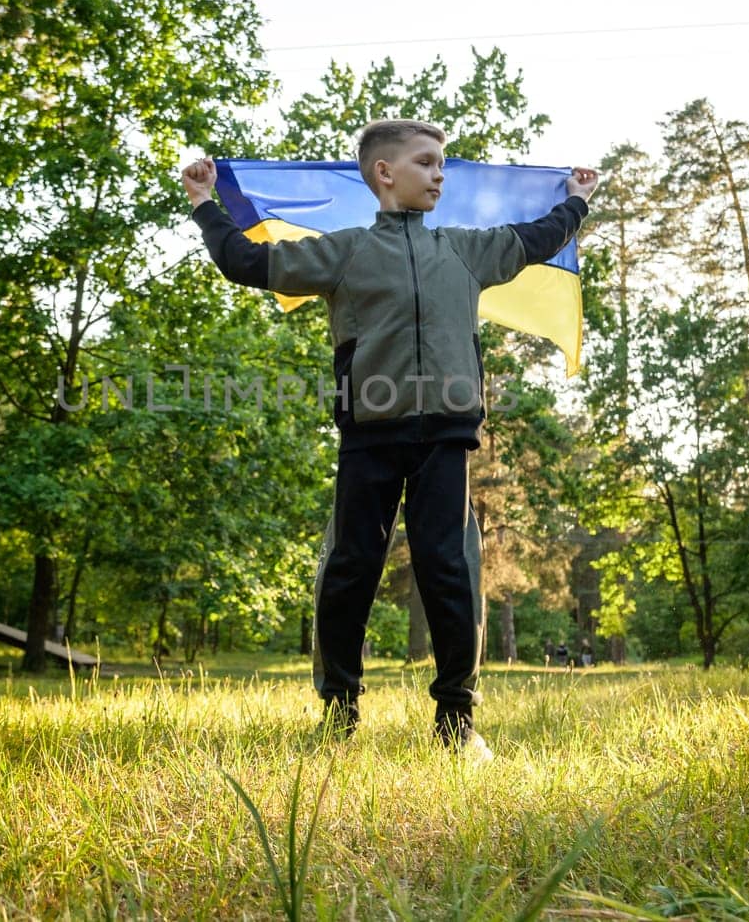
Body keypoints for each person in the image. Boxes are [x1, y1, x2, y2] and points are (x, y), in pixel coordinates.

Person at [181, 119, 596, 758]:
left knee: (449, 572)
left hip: (446, 440)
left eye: (442, 165)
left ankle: (458, 722)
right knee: (349, 571)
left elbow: (537, 238)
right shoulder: (344, 251)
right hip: (370, 437)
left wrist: (575, 199)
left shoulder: (465, 250)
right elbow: (248, 262)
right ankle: (339, 713)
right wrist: (205, 205)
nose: (438, 175)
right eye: (427, 163)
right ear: (384, 173)